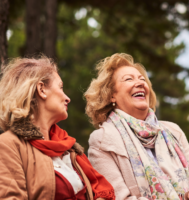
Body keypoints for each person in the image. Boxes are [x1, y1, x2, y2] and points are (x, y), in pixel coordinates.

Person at [85, 53, 189, 200]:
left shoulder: (173, 130)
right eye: (129, 79)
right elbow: (119, 197)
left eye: (142, 79)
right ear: (111, 94)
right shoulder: (102, 140)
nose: (140, 83)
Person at [0, 56, 115, 200]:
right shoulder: (8, 144)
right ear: (42, 89)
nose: (67, 98)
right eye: (60, 87)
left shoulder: (69, 147)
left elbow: (100, 188)